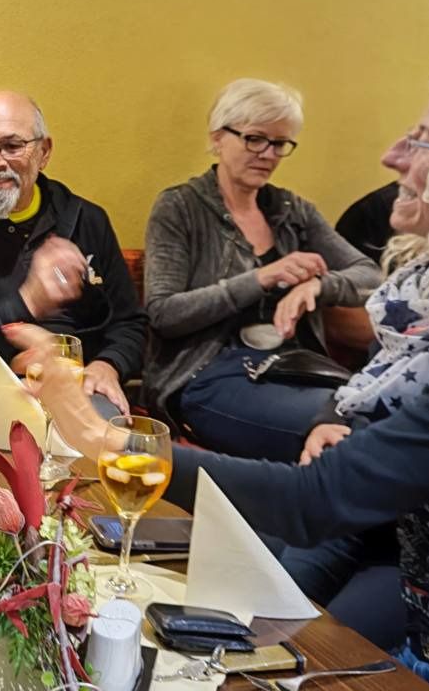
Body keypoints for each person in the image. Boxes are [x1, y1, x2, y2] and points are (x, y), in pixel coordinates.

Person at [32, 63, 429, 691]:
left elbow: (317, 501)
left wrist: (111, 441)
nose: (393, 156)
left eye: (422, 140)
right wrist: (349, 430)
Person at [143, 78, 380, 459]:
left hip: (294, 367)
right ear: (218, 138)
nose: (268, 154)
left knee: (382, 413)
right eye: (254, 139)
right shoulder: (180, 207)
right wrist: (261, 278)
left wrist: (320, 286)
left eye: (279, 143)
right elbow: (164, 313)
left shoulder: (292, 210)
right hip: (207, 373)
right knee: (347, 430)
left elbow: (369, 274)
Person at [0, 90, 145, 415]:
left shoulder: (86, 221)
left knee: (109, 432)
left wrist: (109, 364)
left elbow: (130, 323)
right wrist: (29, 302)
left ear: (44, 151)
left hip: (77, 394)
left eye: (12, 146)